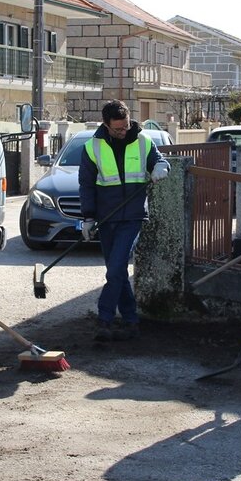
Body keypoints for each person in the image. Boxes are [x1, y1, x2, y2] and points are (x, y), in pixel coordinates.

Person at [79, 100, 170, 342]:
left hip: (133, 215)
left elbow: (161, 161)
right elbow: (86, 185)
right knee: (115, 271)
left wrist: (161, 167)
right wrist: (87, 218)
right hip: (106, 218)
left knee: (116, 267)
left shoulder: (143, 141)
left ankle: (104, 319)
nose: (123, 131)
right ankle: (131, 320)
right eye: (118, 128)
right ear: (106, 125)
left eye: (126, 126)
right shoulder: (92, 147)